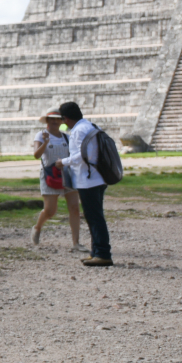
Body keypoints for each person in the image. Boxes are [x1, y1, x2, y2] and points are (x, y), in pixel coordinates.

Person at [58, 101, 112, 267]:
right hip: (96, 177)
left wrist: (63, 162)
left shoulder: (79, 130)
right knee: (93, 216)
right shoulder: (90, 126)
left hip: (89, 179)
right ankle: (96, 251)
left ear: (65, 118)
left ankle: (102, 253)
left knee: (95, 217)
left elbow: (82, 155)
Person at [31, 110, 83, 248]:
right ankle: (38, 227)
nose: (54, 122)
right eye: (51, 119)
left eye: (57, 119)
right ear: (47, 121)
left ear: (62, 121)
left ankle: (76, 242)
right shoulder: (41, 135)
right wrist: (45, 142)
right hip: (50, 174)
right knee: (50, 210)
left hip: (67, 173)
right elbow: (36, 155)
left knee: (74, 208)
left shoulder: (67, 137)